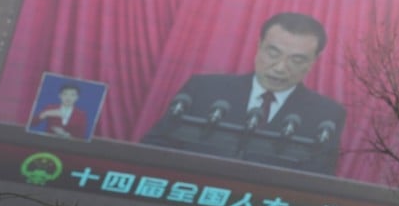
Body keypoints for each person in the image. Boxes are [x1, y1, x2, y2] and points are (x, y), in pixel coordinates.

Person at [142, 12, 346, 175]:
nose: (280, 68)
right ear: (259, 47)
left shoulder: (326, 115)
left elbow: (317, 178)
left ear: (313, 62)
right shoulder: (204, 89)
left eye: (297, 60)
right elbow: (152, 151)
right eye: (273, 53)